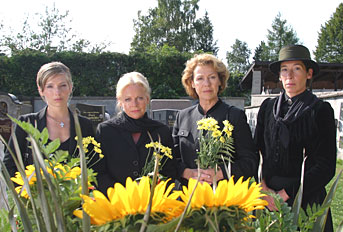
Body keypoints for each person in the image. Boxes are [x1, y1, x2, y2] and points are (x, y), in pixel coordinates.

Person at [254, 44, 336, 231]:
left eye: (296, 69)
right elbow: (255, 151)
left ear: (309, 74)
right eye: (285, 70)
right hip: (267, 199)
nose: (289, 76)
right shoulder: (267, 108)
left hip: (305, 199)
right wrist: (263, 188)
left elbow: (325, 167)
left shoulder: (319, 111)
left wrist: (286, 194)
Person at [172, 53, 258, 186]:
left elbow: (250, 162)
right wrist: (188, 173)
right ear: (192, 83)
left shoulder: (235, 116)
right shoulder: (182, 117)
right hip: (189, 197)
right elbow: (172, 160)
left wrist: (221, 173)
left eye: (212, 77)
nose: (206, 84)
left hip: (224, 198)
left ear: (220, 81)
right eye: (200, 78)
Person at [93, 72, 181, 194]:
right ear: (120, 101)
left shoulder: (161, 131)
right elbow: (98, 173)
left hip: (154, 203)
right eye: (128, 99)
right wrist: (125, 194)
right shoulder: (105, 131)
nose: (134, 104)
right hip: (117, 204)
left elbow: (170, 172)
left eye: (139, 98)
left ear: (147, 99)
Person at [4, 62, 94, 177]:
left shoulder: (84, 125)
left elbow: (93, 165)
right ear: (41, 90)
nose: (57, 92)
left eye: (62, 85)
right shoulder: (27, 123)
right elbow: (9, 165)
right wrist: (27, 191)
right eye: (50, 86)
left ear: (70, 87)